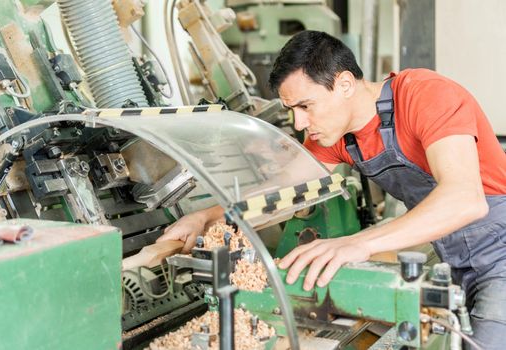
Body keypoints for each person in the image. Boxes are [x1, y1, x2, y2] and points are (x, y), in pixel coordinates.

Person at [159, 30, 506, 348]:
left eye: (305, 106)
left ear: (343, 84)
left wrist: (357, 244)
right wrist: (206, 217)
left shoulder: (425, 94)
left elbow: (465, 199)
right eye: (291, 110)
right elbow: (278, 195)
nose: (299, 123)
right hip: (456, 257)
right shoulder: (342, 138)